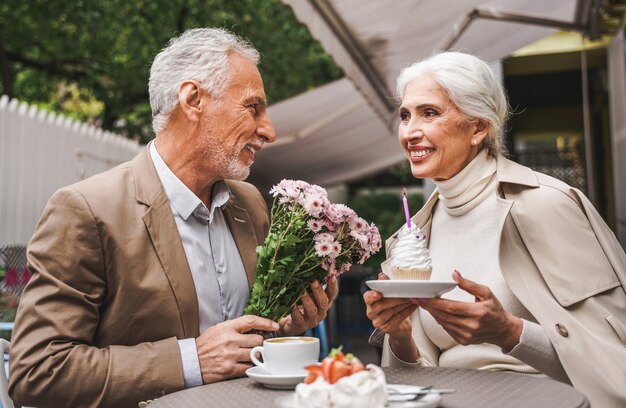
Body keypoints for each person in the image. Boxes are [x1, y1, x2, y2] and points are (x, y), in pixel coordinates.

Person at [8, 28, 337, 408]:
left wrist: (285, 326)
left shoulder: (249, 204)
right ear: (193, 99)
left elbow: (245, 340)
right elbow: (37, 370)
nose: (270, 131)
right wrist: (192, 360)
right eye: (253, 107)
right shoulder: (85, 210)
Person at [364, 51, 626, 407]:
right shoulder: (413, 235)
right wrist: (399, 336)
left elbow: (614, 361)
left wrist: (511, 332)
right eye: (405, 116)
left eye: (430, 113)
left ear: (478, 127)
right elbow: (418, 379)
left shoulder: (547, 205)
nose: (410, 132)